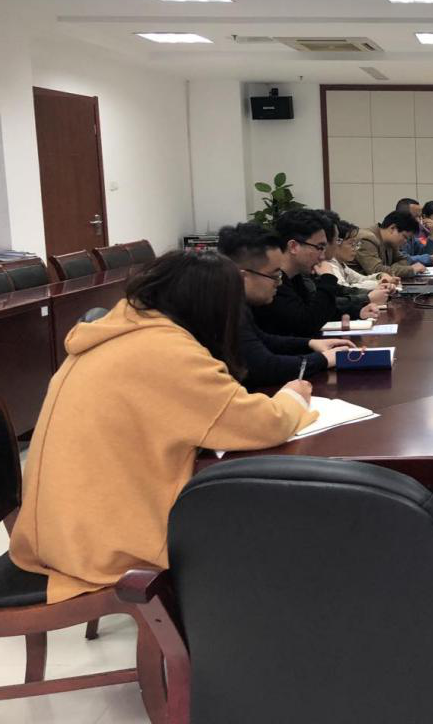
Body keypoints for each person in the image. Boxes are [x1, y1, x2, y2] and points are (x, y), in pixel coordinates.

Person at [9, 250, 317, 602]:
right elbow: (263, 424)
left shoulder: (120, 329)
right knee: (256, 527)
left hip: (57, 527)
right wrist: (293, 396)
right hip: (97, 543)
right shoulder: (166, 351)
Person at [218, 222, 356, 389]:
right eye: (274, 275)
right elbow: (266, 368)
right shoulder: (221, 310)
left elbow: (263, 339)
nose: (279, 282)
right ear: (242, 277)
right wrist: (325, 359)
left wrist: (310, 343)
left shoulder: (236, 302)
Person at [253, 209, 381, 338]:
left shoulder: (296, 276)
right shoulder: (272, 282)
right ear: (293, 247)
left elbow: (316, 310)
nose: (322, 256)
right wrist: (328, 278)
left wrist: (357, 311)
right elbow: (307, 324)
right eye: (319, 247)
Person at [319, 219, 400, 292]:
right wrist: (378, 284)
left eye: (356, 244)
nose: (355, 249)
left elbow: (361, 279)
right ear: (337, 242)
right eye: (351, 244)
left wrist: (380, 276)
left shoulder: (341, 264)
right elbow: (345, 289)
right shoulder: (330, 266)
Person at [354, 210, 427, 279]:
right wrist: (411, 269)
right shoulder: (366, 239)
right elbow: (376, 271)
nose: (405, 242)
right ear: (392, 228)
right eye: (405, 237)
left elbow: (404, 259)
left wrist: (393, 268)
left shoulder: (390, 242)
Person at [396, 197, 433, 267]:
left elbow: (426, 253)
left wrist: (432, 233)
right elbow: (403, 260)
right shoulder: (395, 234)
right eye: (415, 216)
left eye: (419, 217)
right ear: (401, 216)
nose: (418, 221)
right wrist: (430, 258)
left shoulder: (411, 236)